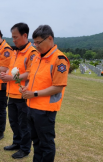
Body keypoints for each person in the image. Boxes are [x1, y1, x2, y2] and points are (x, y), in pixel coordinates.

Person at [20, 25, 70, 162]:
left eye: (38, 42)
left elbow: (58, 87)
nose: (35, 46)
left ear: (49, 39)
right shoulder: (37, 57)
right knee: (35, 141)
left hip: (45, 109)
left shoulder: (59, 59)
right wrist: (26, 89)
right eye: (34, 42)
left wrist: (34, 94)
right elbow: (33, 78)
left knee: (46, 143)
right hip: (31, 106)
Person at [0, 23, 37, 159]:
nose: (13, 40)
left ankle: (25, 148)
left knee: (24, 124)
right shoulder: (15, 52)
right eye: (12, 37)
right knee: (13, 121)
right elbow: (11, 69)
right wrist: (6, 76)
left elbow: (30, 73)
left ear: (25, 35)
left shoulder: (31, 52)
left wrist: (12, 77)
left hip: (23, 94)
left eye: (16, 37)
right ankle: (17, 143)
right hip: (11, 92)